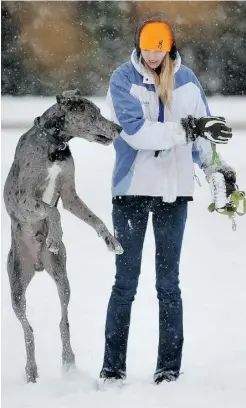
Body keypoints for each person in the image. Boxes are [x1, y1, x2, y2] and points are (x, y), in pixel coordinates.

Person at [99, 15, 235, 385]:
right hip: (130, 194)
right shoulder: (122, 80)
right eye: (146, 48)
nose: (152, 56)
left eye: (158, 50)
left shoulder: (188, 82)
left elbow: (205, 133)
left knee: (168, 286)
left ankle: (168, 369)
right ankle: (112, 368)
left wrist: (217, 172)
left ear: (169, 47)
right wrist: (189, 128)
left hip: (173, 197)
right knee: (125, 284)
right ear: (139, 45)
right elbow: (138, 134)